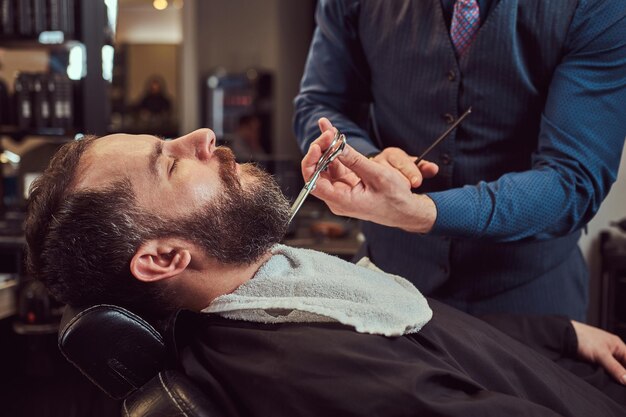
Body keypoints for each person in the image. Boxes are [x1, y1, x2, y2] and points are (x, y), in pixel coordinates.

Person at [24, 129, 626, 416]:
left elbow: (421, 333)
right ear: (164, 259)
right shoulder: (303, 369)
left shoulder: (273, 295)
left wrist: (563, 335)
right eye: (171, 164)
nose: (203, 138)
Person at [293, 0, 626, 321]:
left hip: (530, 304)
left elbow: (572, 179)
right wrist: (366, 160)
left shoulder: (596, 6)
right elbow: (320, 102)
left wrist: (422, 212)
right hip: (384, 283)